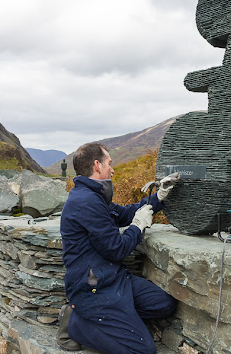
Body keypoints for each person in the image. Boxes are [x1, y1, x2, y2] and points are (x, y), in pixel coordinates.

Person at [58, 142, 177, 353]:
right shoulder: (85, 202)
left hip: (114, 278)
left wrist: (157, 197)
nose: (112, 169)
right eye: (109, 163)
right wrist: (138, 226)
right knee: (144, 350)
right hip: (94, 287)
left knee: (164, 304)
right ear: (97, 165)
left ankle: (119, 316)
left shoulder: (94, 196)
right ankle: (78, 326)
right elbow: (116, 249)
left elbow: (125, 214)